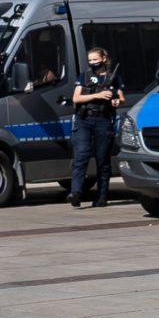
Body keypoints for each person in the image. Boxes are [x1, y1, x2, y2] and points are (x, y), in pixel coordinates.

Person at [67, 44, 125, 208]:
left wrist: (116, 101)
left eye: (95, 59)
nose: (93, 63)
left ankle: (102, 196)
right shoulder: (84, 76)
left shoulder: (114, 78)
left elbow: (121, 98)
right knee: (81, 156)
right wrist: (97, 95)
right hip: (84, 119)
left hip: (103, 120)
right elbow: (76, 99)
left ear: (104, 59)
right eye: (90, 60)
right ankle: (76, 193)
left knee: (102, 160)